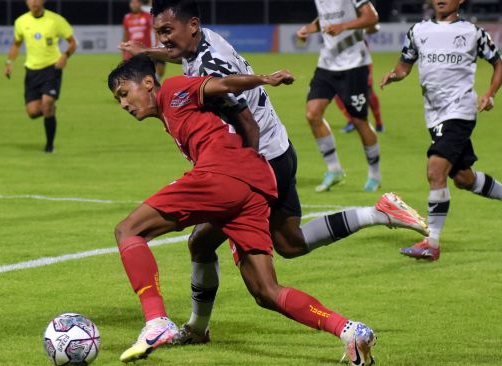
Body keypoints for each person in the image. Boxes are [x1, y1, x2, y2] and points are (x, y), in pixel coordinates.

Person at [119, 0, 428, 349]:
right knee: (289, 243)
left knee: (203, 244)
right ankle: (377, 213)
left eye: (166, 32)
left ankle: (195, 327)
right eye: (158, 33)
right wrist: (146, 51)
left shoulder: (210, 64)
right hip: (278, 150)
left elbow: (245, 122)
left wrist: (240, 167)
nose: (163, 41)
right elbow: (180, 53)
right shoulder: (203, 41)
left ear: (191, 25)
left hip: (258, 158)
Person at [108, 54, 378, 365]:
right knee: (265, 290)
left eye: (124, 94)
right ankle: (350, 331)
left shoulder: (173, 88)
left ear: (147, 83)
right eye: (118, 100)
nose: (124, 105)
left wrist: (264, 78)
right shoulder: (172, 113)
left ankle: (156, 321)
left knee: (128, 230)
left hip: (223, 175)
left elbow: (220, 84)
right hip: (253, 184)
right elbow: (242, 118)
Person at [380, 0, 502, 261]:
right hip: (434, 116)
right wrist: (395, 75)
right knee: (463, 178)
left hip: (460, 111)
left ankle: (431, 244)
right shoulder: (418, 31)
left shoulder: (472, 33)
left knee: (435, 170)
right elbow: (405, 65)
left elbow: (500, 63)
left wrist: (490, 93)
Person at [296, 0, 381, 192]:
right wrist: (308, 29)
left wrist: (342, 27)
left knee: (359, 121)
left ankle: (375, 175)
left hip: (354, 65)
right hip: (327, 63)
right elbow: (327, 18)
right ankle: (334, 170)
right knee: (312, 114)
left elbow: (371, 17)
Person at [4, 0, 76, 153]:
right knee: (32, 112)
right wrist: (9, 62)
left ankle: (49, 146)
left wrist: (65, 56)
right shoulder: (21, 21)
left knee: (47, 103)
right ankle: (49, 110)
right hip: (32, 71)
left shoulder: (56, 20)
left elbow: (72, 43)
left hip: (52, 68)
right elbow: (16, 44)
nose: (34, 2)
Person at [337, 25, 384, 134]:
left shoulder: (359, 11)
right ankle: (352, 121)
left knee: (368, 90)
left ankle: (378, 123)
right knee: (337, 91)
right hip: (344, 54)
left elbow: (375, 26)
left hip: (360, 54)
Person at [123, 0, 166, 79]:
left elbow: (155, 29)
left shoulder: (148, 16)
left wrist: (157, 43)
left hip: (146, 49)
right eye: (132, 3)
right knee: (138, 74)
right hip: (133, 50)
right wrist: (125, 49)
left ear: (140, 4)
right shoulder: (127, 18)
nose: (134, 5)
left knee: (160, 69)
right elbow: (126, 34)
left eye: (136, 3)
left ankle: (154, 82)